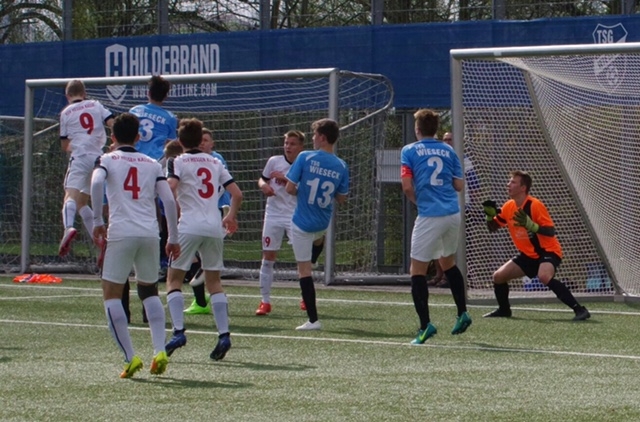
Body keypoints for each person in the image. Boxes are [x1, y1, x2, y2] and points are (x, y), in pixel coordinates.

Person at [90, 112, 181, 378]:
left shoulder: (107, 159)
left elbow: (96, 182)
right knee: (149, 292)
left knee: (111, 293)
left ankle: (130, 358)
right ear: (138, 137)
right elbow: (168, 200)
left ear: (112, 136)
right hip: (150, 234)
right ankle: (159, 350)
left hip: (121, 232)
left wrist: (97, 220)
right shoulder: (151, 163)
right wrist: (173, 237)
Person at [164, 118, 243, 360]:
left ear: (180, 141)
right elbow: (237, 193)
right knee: (214, 282)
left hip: (188, 225)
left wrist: (171, 212)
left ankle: (178, 331)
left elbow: (170, 187)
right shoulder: (215, 162)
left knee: (173, 280)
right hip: (213, 226)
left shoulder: (176, 161)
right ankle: (224, 334)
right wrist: (230, 216)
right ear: (201, 140)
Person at [400, 109, 471, 345]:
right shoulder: (449, 150)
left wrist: (419, 201)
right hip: (452, 214)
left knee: (417, 271)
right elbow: (459, 185)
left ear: (417, 129)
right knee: (448, 263)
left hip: (430, 215)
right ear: (436, 129)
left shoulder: (409, 150)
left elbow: (407, 186)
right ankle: (462, 312)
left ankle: (425, 326)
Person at [482, 170, 591, 321]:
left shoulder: (535, 205)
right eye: (509, 181)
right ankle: (504, 310)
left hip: (547, 251)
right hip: (528, 256)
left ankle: (580, 310)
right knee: (498, 277)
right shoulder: (508, 206)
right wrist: (489, 216)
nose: (508, 185)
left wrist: (532, 226)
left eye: (513, 182)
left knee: (544, 276)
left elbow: (551, 231)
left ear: (523, 188)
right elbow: (493, 228)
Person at [123, 75, 178, 322]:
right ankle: (149, 306)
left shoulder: (134, 111)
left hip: (128, 168)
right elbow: (171, 147)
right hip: (153, 169)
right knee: (153, 221)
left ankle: (123, 309)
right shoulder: (169, 117)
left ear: (148, 93)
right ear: (165, 95)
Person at [285, 118, 349, 330]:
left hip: (302, 223)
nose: (312, 138)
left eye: (314, 135)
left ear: (322, 137)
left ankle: (313, 320)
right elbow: (341, 198)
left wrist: (303, 190)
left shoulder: (305, 156)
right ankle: (314, 256)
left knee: (304, 272)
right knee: (318, 238)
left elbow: (289, 188)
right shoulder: (341, 165)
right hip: (323, 221)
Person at [255, 130, 311, 316]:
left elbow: (304, 189)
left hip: (295, 215)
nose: (288, 147)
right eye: (286, 143)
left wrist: (285, 179)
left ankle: (306, 297)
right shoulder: (274, 161)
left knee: (301, 258)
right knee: (268, 257)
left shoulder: (305, 164)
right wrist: (264, 185)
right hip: (273, 214)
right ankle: (265, 301)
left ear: (301, 147)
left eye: (292, 144)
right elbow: (262, 178)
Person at [58, 79, 114, 257]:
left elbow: (64, 144)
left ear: (67, 95)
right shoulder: (95, 105)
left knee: (70, 195)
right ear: (84, 93)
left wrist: (75, 146)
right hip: (98, 158)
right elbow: (112, 122)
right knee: (82, 201)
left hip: (80, 156)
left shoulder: (66, 113)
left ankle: (68, 227)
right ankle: (99, 241)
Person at [182, 127, 232, 315]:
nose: (202, 143)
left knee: (206, 263)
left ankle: (206, 299)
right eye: (200, 140)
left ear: (212, 144)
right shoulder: (188, 160)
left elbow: (225, 188)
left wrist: (227, 212)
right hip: (195, 215)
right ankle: (201, 300)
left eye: (206, 140)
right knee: (195, 258)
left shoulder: (216, 160)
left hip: (213, 213)